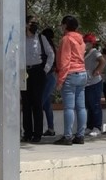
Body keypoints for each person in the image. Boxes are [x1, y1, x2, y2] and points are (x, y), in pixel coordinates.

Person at [53, 15, 88, 145]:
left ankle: (67, 136)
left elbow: (65, 61)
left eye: (62, 25)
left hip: (70, 74)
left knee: (68, 107)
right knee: (81, 107)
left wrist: (60, 81)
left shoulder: (66, 39)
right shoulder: (81, 40)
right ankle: (80, 135)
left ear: (65, 25)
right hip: (82, 73)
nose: (61, 27)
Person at [21, 15, 54, 143]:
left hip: (37, 71)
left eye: (35, 22)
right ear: (25, 24)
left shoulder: (41, 38)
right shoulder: (20, 38)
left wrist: (45, 69)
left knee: (37, 103)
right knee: (26, 103)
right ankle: (27, 133)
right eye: (31, 23)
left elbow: (51, 54)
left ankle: (37, 133)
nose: (33, 25)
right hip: (24, 71)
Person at [83, 33, 105, 137]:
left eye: (87, 42)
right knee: (89, 105)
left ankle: (97, 127)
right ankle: (89, 126)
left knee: (95, 105)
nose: (85, 44)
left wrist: (97, 70)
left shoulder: (94, 52)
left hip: (95, 82)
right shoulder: (84, 53)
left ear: (91, 44)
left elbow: (102, 61)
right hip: (87, 82)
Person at [40, 27, 58, 137]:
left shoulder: (45, 47)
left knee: (40, 102)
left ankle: (38, 127)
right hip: (51, 77)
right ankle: (51, 128)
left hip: (47, 76)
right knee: (47, 105)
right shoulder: (52, 46)